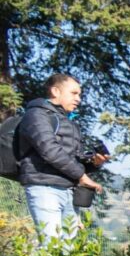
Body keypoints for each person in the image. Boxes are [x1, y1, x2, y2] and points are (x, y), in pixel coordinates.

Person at [17, 73, 108, 239]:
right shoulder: (36, 115)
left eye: (79, 94)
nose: (78, 99)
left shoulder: (68, 122)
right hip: (44, 188)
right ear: (55, 91)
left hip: (68, 191)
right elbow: (49, 150)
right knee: (51, 246)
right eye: (74, 93)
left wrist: (93, 163)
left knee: (68, 251)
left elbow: (71, 160)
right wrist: (81, 176)